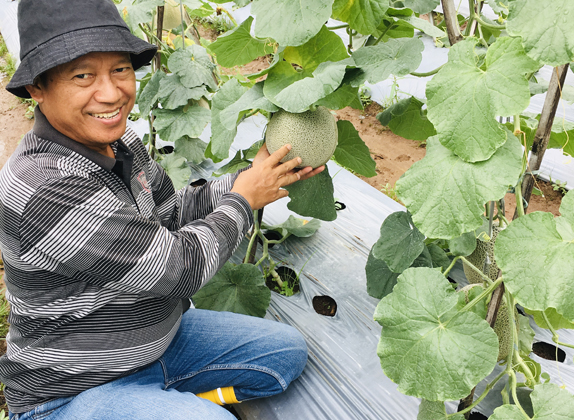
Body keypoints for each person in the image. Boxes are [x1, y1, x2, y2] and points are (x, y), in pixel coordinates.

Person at [0, 1, 324, 419]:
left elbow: (174, 214)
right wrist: (244, 200)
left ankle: (172, 401)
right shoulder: (41, 186)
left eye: (119, 69)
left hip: (161, 344)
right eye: (83, 75)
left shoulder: (122, 142)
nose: (112, 92)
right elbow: (178, 268)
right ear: (37, 88)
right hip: (75, 388)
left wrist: (256, 176)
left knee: (286, 354)